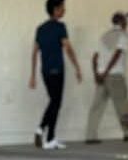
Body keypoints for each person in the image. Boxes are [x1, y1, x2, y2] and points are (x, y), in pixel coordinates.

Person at [30, 0, 81, 150]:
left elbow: (34, 53)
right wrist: (77, 66)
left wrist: (33, 75)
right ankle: (41, 129)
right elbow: (68, 48)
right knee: (55, 102)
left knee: (55, 102)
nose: (64, 11)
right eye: (62, 8)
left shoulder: (40, 29)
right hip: (57, 70)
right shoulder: (60, 27)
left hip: (45, 71)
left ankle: (50, 138)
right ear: (55, 9)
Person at [85, 11, 128, 144]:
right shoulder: (123, 35)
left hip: (101, 76)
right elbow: (117, 54)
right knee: (121, 104)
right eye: (126, 22)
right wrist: (106, 71)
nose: (127, 24)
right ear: (122, 22)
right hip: (115, 75)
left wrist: (96, 74)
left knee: (96, 106)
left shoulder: (103, 36)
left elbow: (94, 58)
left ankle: (90, 135)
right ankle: (127, 132)